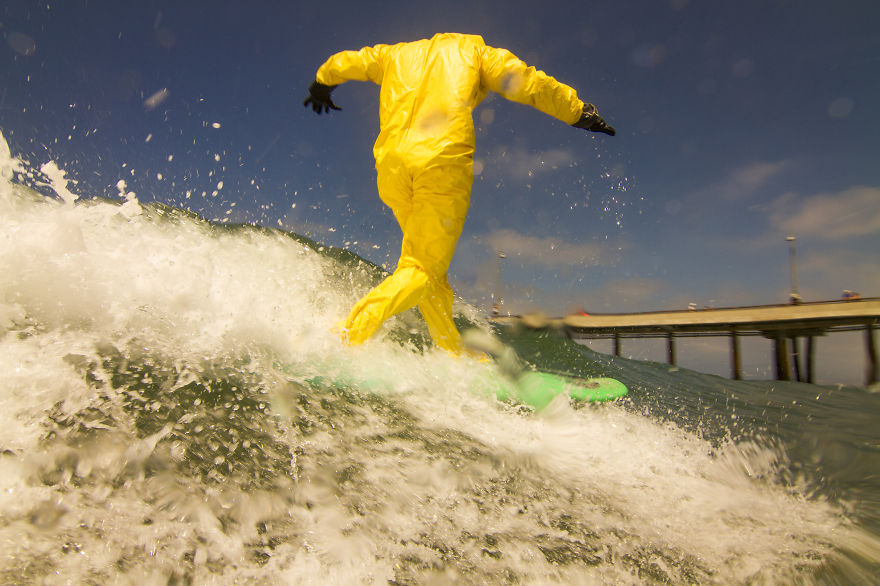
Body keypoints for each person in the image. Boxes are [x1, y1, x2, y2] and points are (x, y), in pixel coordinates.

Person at [304, 32, 615, 355]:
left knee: (429, 271)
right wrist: (578, 111)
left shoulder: (393, 55)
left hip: (392, 168)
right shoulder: (474, 52)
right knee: (423, 268)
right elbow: (525, 82)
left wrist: (321, 83)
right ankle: (346, 336)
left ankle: (452, 353)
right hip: (441, 163)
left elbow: (349, 61)